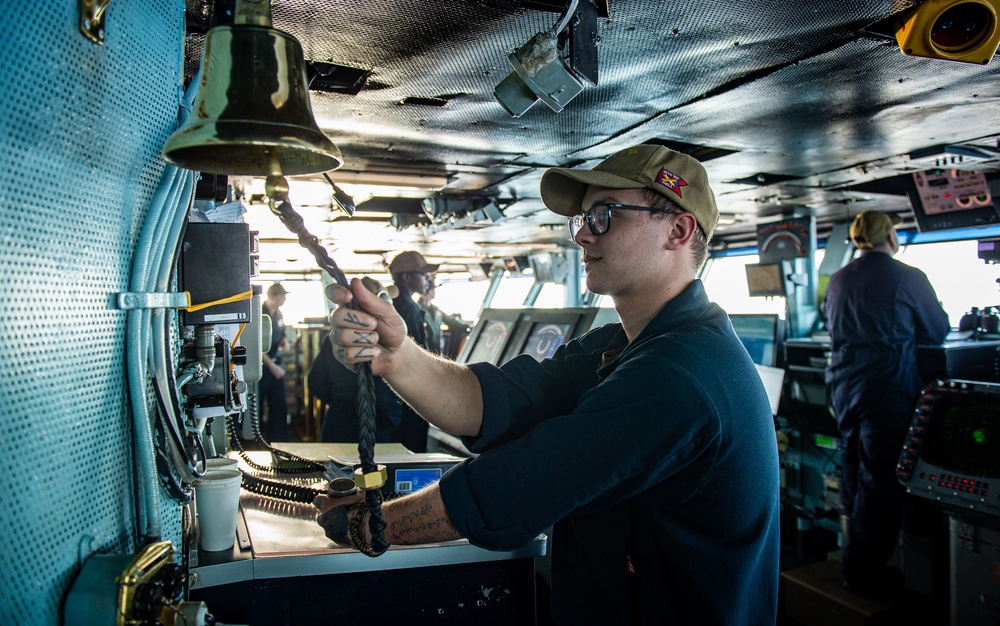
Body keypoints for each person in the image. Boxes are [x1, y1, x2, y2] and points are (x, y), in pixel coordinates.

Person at [315, 144, 780, 624]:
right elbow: (497, 402)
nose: (583, 236)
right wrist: (398, 356)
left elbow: (517, 487)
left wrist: (371, 524)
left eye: (604, 215)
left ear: (678, 230)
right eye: (582, 219)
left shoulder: (682, 372)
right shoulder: (620, 344)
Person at [823, 210, 949, 596]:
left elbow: (831, 325)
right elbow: (937, 329)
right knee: (881, 479)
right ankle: (864, 572)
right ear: (891, 237)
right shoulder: (908, 277)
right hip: (886, 388)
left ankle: (852, 556)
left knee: (854, 467)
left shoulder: (839, 278)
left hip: (844, 385)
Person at [308, 277, 399, 443]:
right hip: (379, 421)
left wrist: (340, 401)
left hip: (341, 417)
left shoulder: (333, 340)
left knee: (335, 468)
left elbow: (316, 382)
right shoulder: (386, 341)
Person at [386, 250, 440, 452]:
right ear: (407, 277)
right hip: (408, 396)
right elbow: (414, 357)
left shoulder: (398, 304)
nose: (428, 278)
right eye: (423, 274)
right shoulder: (408, 309)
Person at [259, 282, 290, 442]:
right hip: (261, 366)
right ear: (272, 296)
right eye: (282, 295)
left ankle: (278, 442)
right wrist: (271, 366)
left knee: (278, 404)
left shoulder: (279, 315)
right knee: (255, 405)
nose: (284, 299)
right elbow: (255, 345)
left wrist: (284, 342)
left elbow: (281, 334)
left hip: (275, 363)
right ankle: (254, 443)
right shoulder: (258, 314)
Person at [417, 282, 470, 357]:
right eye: (434, 290)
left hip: (436, 351)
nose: (435, 292)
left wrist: (467, 327)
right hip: (423, 352)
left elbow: (450, 321)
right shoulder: (417, 309)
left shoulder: (436, 310)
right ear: (429, 291)